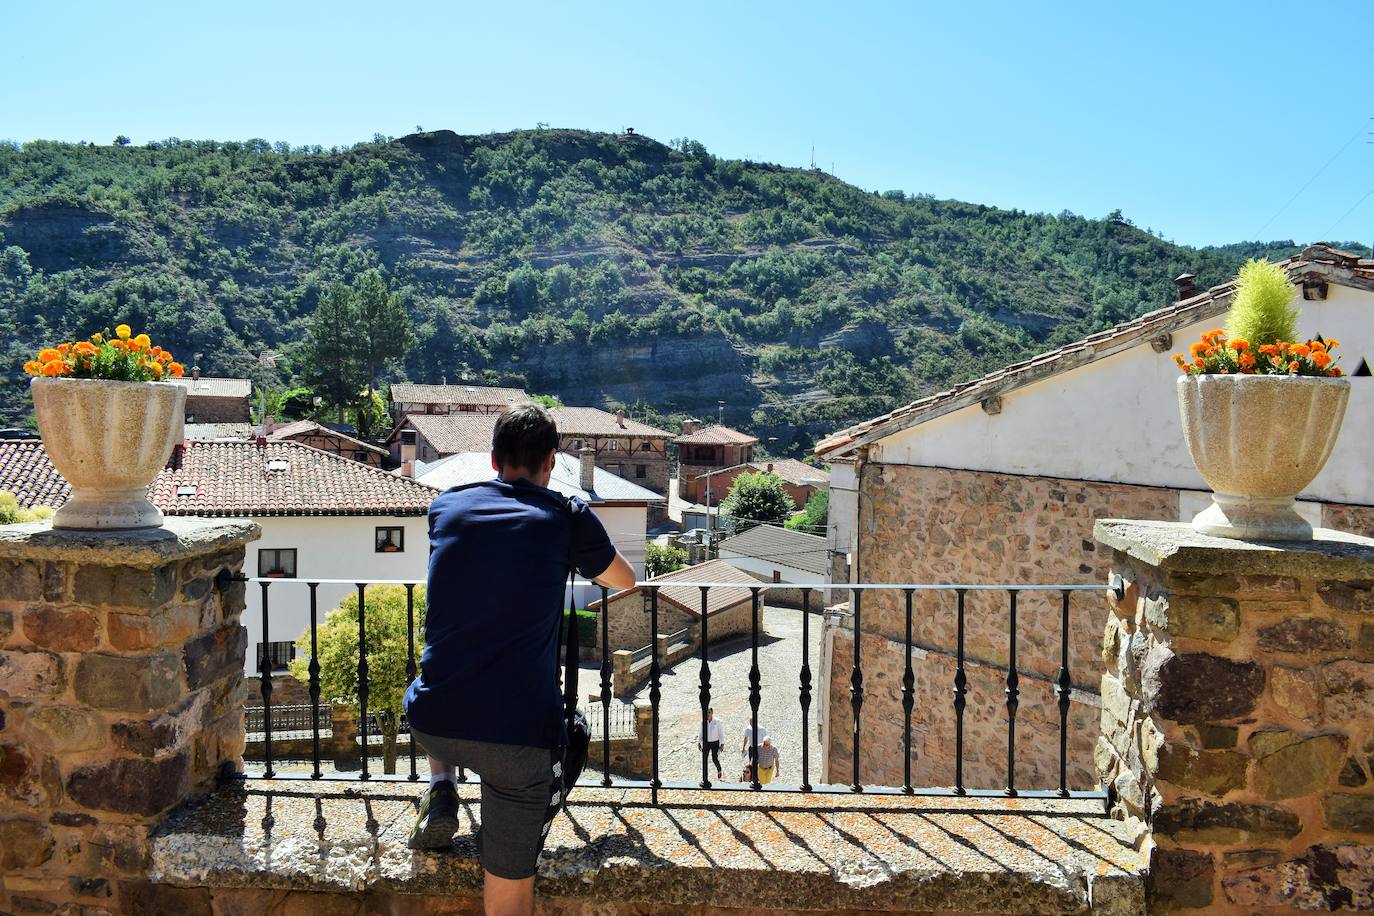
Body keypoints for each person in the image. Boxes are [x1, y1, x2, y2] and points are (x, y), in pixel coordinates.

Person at [403, 404, 636, 916]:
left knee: (435, 666)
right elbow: (624, 580)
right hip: (518, 741)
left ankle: (442, 786)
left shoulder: (445, 507)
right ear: (552, 460)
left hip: (432, 720)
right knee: (508, 897)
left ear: (493, 459)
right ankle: (526, 813)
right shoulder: (564, 516)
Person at [698, 707, 724, 780]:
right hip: (706, 743)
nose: (707, 714)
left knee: (714, 758)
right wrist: (699, 742)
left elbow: (720, 732)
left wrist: (722, 744)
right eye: (706, 713)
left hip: (715, 742)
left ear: (712, 713)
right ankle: (705, 776)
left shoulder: (717, 721)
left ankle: (719, 769)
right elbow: (701, 732)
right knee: (705, 758)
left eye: (709, 712)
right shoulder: (703, 722)